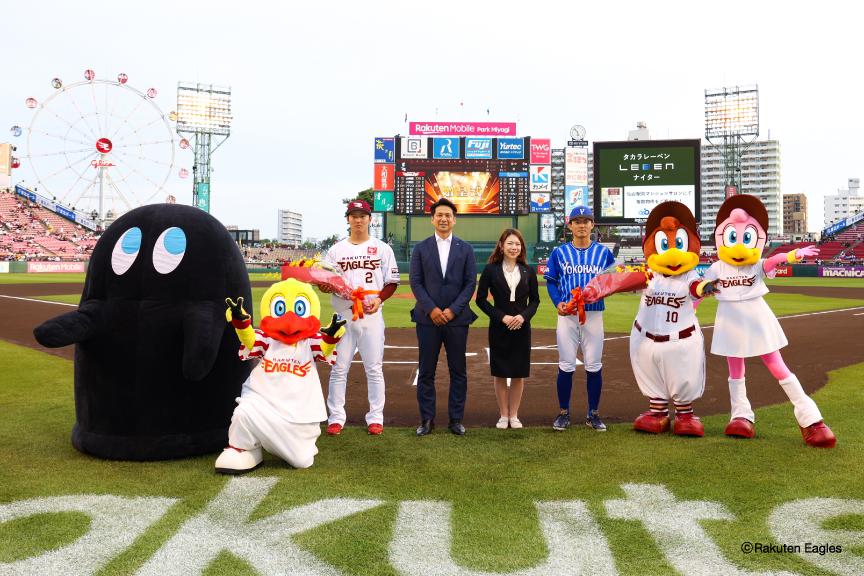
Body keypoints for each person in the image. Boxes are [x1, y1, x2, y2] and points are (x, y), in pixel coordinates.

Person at [323, 200, 400, 436]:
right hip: (343, 315)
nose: (358, 219)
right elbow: (326, 280)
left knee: (374, 368)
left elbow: (392, 281)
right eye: (353, 215)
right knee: (338, 368)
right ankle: (336, 418)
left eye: (362, 215)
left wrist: (379, 300)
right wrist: (323, 287)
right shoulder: (335, 250)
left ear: (369, 219)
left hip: (371, 315)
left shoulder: (382, 248)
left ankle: (375, 418)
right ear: (348, 220)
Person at [409, 197, 477, 436]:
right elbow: (415, 283)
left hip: (457, 319)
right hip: (428, 319)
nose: (444, 219)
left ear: (454, 219)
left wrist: (452, 310)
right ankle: (427, 419)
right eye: (439, 215)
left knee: (458, 371)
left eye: (448, 215)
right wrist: (432, 309)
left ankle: (455, 419)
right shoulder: (420, 248)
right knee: (426, 371)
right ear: (432, 219)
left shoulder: (466, 249)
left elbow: (470, 284)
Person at [544, 206, 616, 432]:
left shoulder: (603, 253)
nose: (582, 225)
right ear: (570, 226)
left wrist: (600, 292)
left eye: (586, 221)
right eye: (577, 221)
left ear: (592, 225)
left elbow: (613, 281)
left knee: (594, 365)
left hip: (593, 314)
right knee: (566, 364)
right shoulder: (559, 253)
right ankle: (563, 412)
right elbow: (551, 281)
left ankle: (593, 413)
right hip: (567, 315)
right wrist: (558, 303)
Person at [475, 228, 540, 429]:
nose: (514, 247)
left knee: (519, 373)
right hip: (499, 327)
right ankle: (503, 415)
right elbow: (481, 299)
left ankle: (514, 415)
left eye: (518, 244)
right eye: (510, 243)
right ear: (501, 246)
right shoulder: (490, 269)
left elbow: (535, 301)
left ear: (522, 248)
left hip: (522, 327)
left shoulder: (529, 271)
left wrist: (522, 317)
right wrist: (501, 317)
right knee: (501, 372)